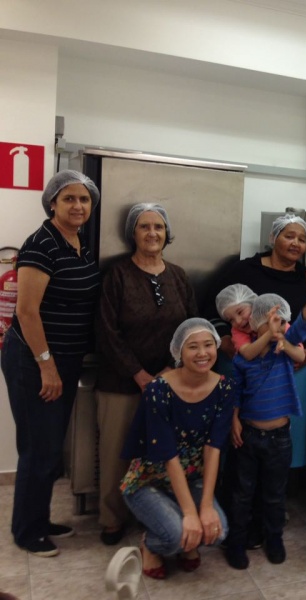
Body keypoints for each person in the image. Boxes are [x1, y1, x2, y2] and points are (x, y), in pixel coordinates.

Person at [1, 170, 101, 557]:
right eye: (69, 199)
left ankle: (39, 519)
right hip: (34, 360)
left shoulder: (78, 243)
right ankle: (26, 531)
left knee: (49, 446)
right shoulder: (41, 244)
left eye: (84, 200)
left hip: (66, 359)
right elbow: (27, 312)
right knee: (37, 448)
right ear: (52, 204)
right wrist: (46, 365)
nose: (78, 206)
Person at [95, 203, 197, 546]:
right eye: (144, 227)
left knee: (167, 456)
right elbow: (107, 332)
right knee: (117, 455)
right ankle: (112, 520)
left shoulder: (179, 276)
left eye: (158, 226)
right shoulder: (118, 276)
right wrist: (139, 375)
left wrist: (172, 370)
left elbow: (191, 328)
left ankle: (157, 515)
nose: (152, 233)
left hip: (172, 384)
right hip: (121, 384)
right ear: (132, 234)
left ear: (167, 233)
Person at [206, 213, 306, 468]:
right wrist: (224, 340)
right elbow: (209, 307)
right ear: (273, 238)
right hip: (245, 364)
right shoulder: (244, 270)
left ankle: (282, 488)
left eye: (302, 239)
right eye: (289, 236)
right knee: (241, 438)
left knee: (285, 440)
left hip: (293, 367)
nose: (296, 243)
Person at [120, 319, 235, 579]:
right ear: (179, 353)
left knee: (218, 531)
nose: (202, 353)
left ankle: (187, 536)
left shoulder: (225, 387)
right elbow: (168, 454)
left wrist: (205, 508)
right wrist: (190, 514)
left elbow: (214, 448)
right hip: (149, 480)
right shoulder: (159, 390)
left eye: (208, 345)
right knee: (173, 536)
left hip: (192, 477)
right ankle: (151, 544)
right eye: (193, 347)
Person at [225, 288, 306, 570]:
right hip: (250, 436)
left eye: (281, 320)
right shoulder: (245, 359)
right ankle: (237, 542)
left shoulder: (285, 352)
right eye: (270, 321)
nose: (278, 325)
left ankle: (274, 538)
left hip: (280, 438)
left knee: (275, 493)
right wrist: (234, 421)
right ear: (255, 325)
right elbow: (236, 395)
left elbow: (301, 330)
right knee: (243, 494)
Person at [215, 283, 259, 358]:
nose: (238, 321)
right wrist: (270, 334)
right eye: (231, 320)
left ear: (254, 304)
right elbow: (248, 354)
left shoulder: (272, 318)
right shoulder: (237, 332)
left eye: (240, 312)